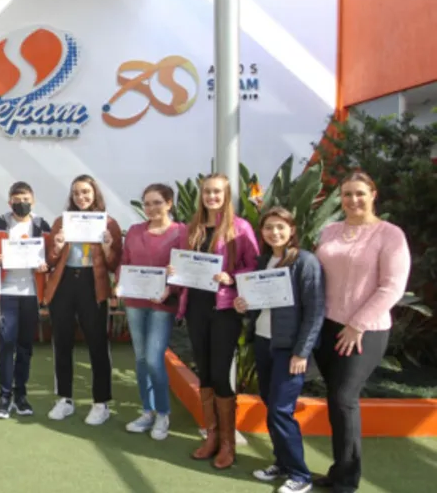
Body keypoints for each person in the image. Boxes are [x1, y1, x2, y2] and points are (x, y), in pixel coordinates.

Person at [312, 172, 410, 492]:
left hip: (364, 331)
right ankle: (339, 469)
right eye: (346, 194)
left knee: (344, 399)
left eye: (359, 194)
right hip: (326, 327)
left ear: (373, 194)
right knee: (335, 399)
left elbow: (392, 287)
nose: (353, 200)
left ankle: (347, 479)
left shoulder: (390, 235)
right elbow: (314, 274)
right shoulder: (330, 231)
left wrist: (357, 324)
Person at [235, 207, 325, 493]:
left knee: (281, 410)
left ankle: (301, 475)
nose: (274, 232)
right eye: (269, 227)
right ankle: (282, 463)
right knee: (270, 403)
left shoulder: (305, 262)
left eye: (280, 227)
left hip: (289, 349)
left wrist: (302, 352)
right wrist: (244, 305)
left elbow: (315, 311)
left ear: (292, 229)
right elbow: (259, 303)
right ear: (262, 232)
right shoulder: (264, 261)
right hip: (264, 341)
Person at [173, 173, 259, 469]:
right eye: (207, 192)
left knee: (221, 374)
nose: (211, 197)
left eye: (217, 192)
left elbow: (254, 265)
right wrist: (176, 268)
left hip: (224, 309)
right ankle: (211, 436)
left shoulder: (240, 228)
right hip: (196, 306)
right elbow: (184, 262)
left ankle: (227, 443)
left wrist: (231, 277)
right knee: (205, 373)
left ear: (226, 195)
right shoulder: (193, 227)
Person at [44, 174, 122, 425]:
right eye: (76, 193)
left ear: (95, 193)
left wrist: (109, 247)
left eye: (86, 192)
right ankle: (64, 399)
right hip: (64, 284)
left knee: (97, 344)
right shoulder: (61, 222)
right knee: (62, 343)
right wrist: (56, 245)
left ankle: (101, 403)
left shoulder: (109, 224)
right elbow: (50, 260)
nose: (81, 197)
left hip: (93, 285)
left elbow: (114, 264)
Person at [117, 183, 185, 440]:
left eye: (157, 202)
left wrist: (172, 284)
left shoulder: (181, 232)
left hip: (162, 303)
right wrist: (119, 284)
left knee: (155, 358)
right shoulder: (134, 231)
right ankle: (147, 411)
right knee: (141, 359)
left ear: (169, 203)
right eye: (146, 203)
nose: (151, 208)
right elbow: (125, 261)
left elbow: (185, 268)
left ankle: (163, 413)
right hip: (135, 301)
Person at [0, 181, 51, 419]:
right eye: (16, 199)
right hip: (7, 291)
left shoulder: (41, 225)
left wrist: (46, 265)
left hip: (32, 293)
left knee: (25, 347)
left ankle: (20, 394)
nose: (20, 203)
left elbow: (53, 254)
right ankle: (4, 397)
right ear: (9, 201)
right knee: (6, 344)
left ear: (32, 200)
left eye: (25, 199)